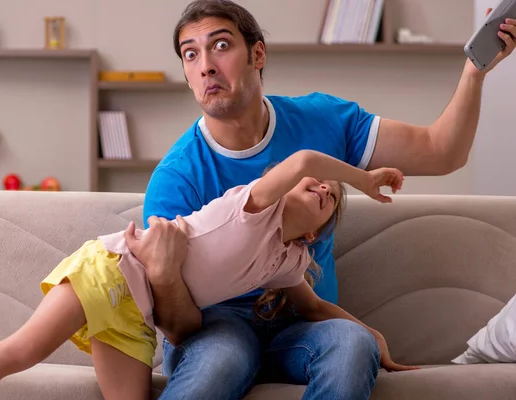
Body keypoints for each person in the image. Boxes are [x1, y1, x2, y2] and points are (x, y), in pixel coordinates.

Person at [141, 1, 516, 399]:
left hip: (303, 327)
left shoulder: (324, 120)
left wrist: (475, 73)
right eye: (190, 54)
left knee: (352, 343)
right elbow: (175, 326)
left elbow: (442, 152)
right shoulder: (176, 178)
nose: (206, 66)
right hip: (215, 328)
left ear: (257, 54)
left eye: (220, 46)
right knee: (223, 357)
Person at [0, 150, 411, 400]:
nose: (325, 186)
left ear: (315, 236)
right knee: (23, 350)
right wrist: (361, 180)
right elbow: (304, 161)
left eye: (332, 197)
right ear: (283, 191)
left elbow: (317, 307)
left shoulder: (288, 262)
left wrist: (372, 336)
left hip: (136, 319)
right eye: (316, 185)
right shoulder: (253, 205)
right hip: (111, 272)